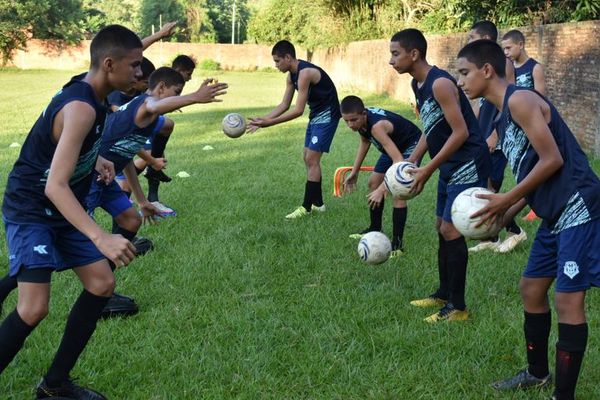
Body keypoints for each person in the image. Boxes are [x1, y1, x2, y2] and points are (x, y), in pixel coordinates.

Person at [0, 25, 142, 399]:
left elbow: (63, 145)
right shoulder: (80, 106)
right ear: (109, 64)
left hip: (61, 208)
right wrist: (101, 235)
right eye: (135, 66)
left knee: (101, 284)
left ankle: (55, 386)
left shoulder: (92, 89)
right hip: (32, 208)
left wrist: (96, 160)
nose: (139, 74)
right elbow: (54, 185)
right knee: (33, 309)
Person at [457, 39, 600, 400]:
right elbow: (534, 172)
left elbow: (553, 160)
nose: (460, 82)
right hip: (555, 213)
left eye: (463, 73)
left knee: (568, 301)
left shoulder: (519, 100)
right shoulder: (504, 119)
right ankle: (537, 374)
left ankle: (562, 396)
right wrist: (506, 212)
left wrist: (507, 197)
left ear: (486, 70)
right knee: (531, 289)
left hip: (578, 207)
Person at [87, 67, 227, 319]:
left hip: (106, 178)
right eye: (175, 93)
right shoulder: (145, 104)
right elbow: (153, 104)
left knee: (131, 219)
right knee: (60, 246)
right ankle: (96, 293)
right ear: (161, 87)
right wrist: (195, 96)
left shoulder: (142, 117)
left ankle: (101, 288)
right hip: (89, 178)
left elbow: (125, 156)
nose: (176, 100)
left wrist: (141, 200)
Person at [389, 29, 490, 322]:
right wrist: (414, 158)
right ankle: (443, 292)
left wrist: (427, 170)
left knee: (451, 230)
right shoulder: (417, 84)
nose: (391, 60)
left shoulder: (441, 84)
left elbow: (461, 133)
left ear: (414, 54)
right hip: (448, 163)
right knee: (440, 226)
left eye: (396, 53)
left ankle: (458, 307)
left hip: (467, 160)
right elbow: (432, 128)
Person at [248, 40, 340, 219]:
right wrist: (264, 119)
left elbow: (298, 110)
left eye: (277, 61)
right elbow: (284, 104)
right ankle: (318, 205)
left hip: (328, 115)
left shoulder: (305, 73)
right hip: (316, 115)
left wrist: (270, 124)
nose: (275, 65)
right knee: (307, 157)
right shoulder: (291, 76)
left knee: (312, 158)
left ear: (288, 57)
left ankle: (306, 207)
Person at [467, 21, 527, 253]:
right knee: (484, 185)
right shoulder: (480, 66)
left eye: (472, 37)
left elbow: (510, 100)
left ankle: (514, 230)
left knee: (490, 185)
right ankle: (490, 238)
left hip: (499, 137)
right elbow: (480, 104)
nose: (469, 41)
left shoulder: (504, 63)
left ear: (485, 38)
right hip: (482, 134)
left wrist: (494, 134)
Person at [340, 95, 422, 256]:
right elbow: (365, 142)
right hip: (391, 146)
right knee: (373, 183)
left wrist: (383, 189)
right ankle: (375, 228)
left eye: (353, 120)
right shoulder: (362, 122)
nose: (350, 125)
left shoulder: (377, 127)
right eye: (346, 121)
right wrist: (355, 172)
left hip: (411, 145)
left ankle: (397, 246)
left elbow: (398, 160)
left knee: (399, 191)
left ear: (364, 114)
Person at [502, 29, 547, 222]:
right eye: (503, 49)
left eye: (509, 47)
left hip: (532, 123)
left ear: (521, 44)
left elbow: (541, 98)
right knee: (522, 167)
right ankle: (532, 201)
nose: (506, 52)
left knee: (536, 165)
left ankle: (536, 207)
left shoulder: (534, 68)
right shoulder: (508, 69)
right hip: (516, 126)